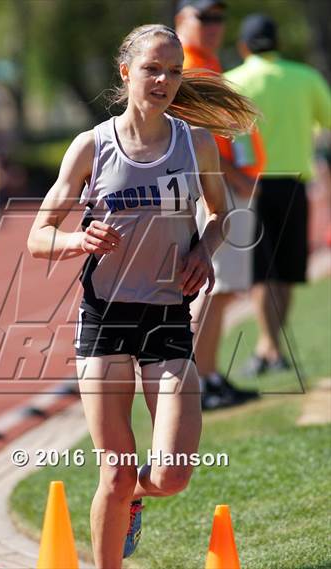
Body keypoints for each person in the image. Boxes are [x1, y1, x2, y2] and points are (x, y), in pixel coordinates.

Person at [28, 24, 257, 569]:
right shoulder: (92, 146)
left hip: (167, 317)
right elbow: (38, 236)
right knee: (115, 467)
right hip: (104, 317)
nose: (164, 80)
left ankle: (134, 498)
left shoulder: (196, 142)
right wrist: (75, 239)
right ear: (126, 71)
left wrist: (204, 249)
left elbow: (223, 214)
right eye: (153, 69)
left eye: (174, 71)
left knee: (171, 475)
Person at [225, 15, 331, 376]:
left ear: (243, 46)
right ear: (278, 42)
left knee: (260, 273)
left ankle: (268, 347)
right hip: (294, 183)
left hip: (249, 186)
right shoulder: (305, 77)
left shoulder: (233, 81)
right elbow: (327, 121)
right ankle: (273, 347)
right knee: (286, 271)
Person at [176, 0, 263, 408]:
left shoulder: (206, 62)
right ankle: (196, 384)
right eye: (203, 17)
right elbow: (197, 141)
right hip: (215, 188)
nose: (213, 25)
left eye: (218, 17)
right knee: (209, 290)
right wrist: (236, 178)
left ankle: (209, 376)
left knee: (221, 291)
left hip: (227, 185)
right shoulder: (183, 67)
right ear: (181, 21)